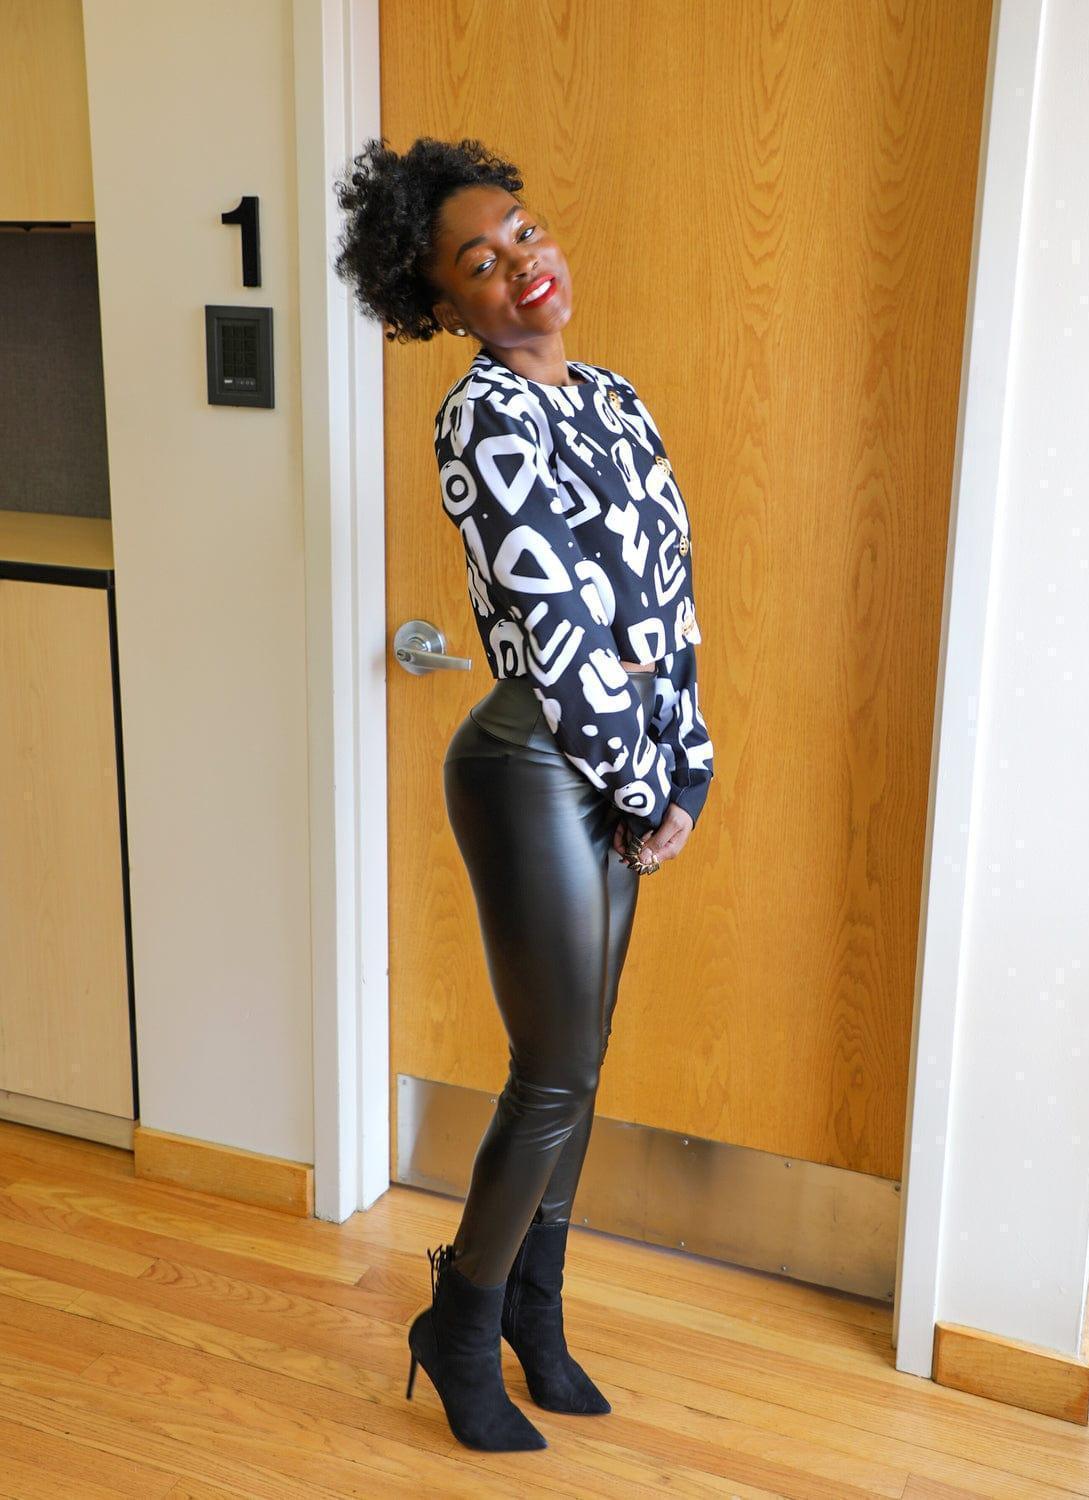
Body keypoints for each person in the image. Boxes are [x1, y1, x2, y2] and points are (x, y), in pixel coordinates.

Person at [333, 135, 715, 1453]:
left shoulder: (611, 397)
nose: (519, 266)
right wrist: (639, 781)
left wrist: (685, 769)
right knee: (550, 1072)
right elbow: (556, 634)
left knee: (581, 1069)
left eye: (523, 233)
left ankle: (535, 1319)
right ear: (443, 305)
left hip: (617, 764)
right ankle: (459, 1321)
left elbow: (664, 607)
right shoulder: (484, 414)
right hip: (533, 762)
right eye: (478, 263)